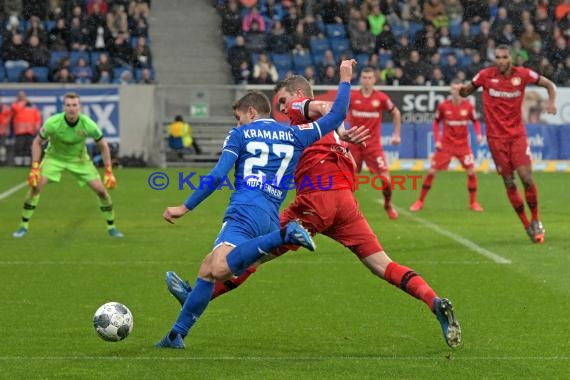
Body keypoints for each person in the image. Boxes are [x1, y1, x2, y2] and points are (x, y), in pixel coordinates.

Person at [164, 74, 462, 349]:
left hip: (314, 201)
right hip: (345, 203)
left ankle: (196, 297)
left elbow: (325, 105)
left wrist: (338, 94)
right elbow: (329, 114)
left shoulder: (296, 111)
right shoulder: (319, 130)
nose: (282, 109)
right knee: (382, 264)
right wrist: (341, 133)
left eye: (282, 101)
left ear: (295, 94)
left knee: (256, 251)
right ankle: (433, 301)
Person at [459, 44, 557, 243]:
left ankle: (536, 220)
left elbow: (548, 84)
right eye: (498, 57)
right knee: (509, 181)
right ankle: (526, 224)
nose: (501, 61)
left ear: (511, 58)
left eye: (504, 57)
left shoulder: (522, 74)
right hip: (496, 139)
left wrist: (551, 102)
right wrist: (462, 91)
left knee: (526, 177)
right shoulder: (485, 75)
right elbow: (467, 90)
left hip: (517, 136)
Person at [12, 92, 123, 238]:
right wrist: (35, 167)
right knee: (35, 188)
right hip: (54, 158)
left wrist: (108, 171)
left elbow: (103, 145)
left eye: (75, 105)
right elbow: (37, 142)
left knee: (101, 192)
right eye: (68, 105)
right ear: (63, 107)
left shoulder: (88, 124)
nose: (72, 108)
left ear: (79, 107)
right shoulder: (53, 123)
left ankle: (112, 227)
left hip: (79, 160)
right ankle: (23, 226)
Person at [410, 81, 484, 212]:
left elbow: (475, 122)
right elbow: (436, 123)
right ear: (451, 91)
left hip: (463, 146)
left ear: (463, 91)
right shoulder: (443, 106)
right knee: (432, 171)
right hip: (446, 145)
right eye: (453, 89)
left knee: (472, 172)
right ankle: (419, 201)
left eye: (458, 89)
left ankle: (473, 203)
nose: (455, 92)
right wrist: (437, 140)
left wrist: (479, 134)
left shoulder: (468, 107)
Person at [347, 67, 401, 219]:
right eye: (364, 77)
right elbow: (338, 113)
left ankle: (388, 204)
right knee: (347, 180)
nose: (367, 81)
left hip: (373, 146)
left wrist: (396, 134)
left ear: (374, 80)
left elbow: (396, 113)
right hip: (354, 145)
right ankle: (348, 211)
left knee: (385, 180)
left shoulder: (381, 98)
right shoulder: (352, 96)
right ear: (360, 79)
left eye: (370, 78)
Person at [11, 91, 42, 167]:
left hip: (30, 131)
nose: (22, 97)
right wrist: (24, 102)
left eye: (23, 96)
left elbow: (37, 116)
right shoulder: (15, 105)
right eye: (20, 96)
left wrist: (37, 125)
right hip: (19, 132)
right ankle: (18, 164)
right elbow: (17, 109)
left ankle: (27, 163)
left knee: (28, 148)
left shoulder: (32, 106)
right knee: (19, 148)